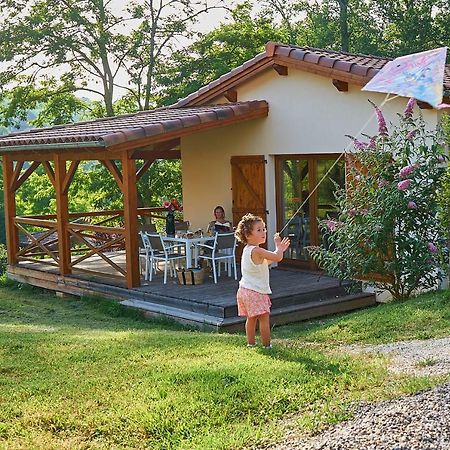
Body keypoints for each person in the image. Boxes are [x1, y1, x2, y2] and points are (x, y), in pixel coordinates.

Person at [234, 213, 290, 348]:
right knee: (264, 318)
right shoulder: (258, 250)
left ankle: (251, 344)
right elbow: (277, 257)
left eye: (264, 229)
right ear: (248, 235)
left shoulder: (248, 250)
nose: (264, 232)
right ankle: (267, 346)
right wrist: (278, 246)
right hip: (256, 292)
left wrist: (279, 251)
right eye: (259, 230)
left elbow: (267, 261)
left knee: (251, 318)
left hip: (244, 290)